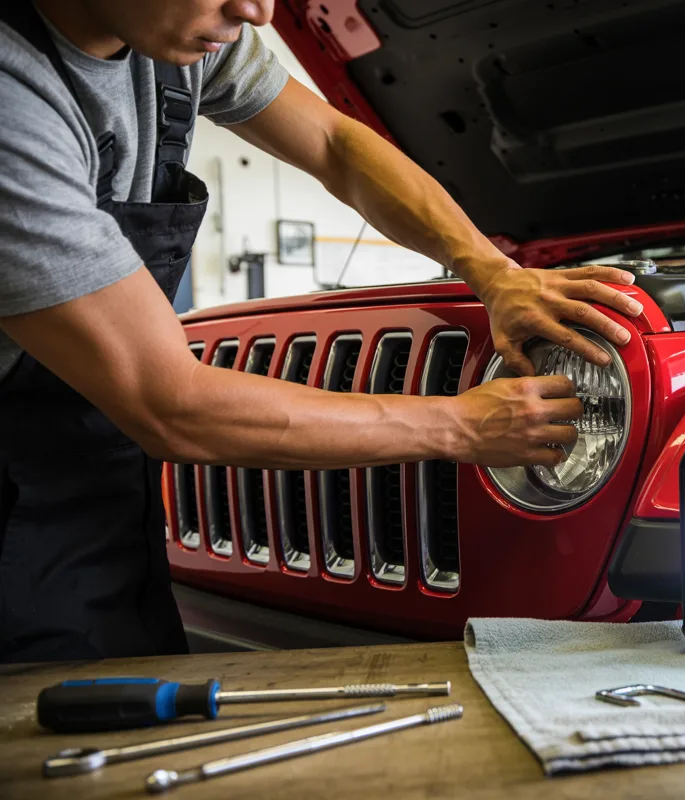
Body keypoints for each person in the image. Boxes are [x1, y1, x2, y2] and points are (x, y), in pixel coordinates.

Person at [0, 0, 643, 663]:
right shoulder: (12, 101)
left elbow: (336, 145)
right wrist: (463, 426)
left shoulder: (180, 33)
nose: (256, 11)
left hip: (107, 480)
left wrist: (492, 270)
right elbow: (170, 401)